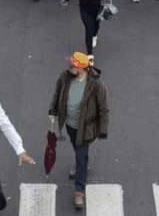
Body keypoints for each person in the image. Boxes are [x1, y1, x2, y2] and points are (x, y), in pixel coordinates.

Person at [47, 51, 109, 212]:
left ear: (81, 69)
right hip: (69, 124)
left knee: (81, 155)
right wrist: (53, 110)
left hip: (86, 128)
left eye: (72, 65)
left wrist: (102, 131)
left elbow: (103, 109)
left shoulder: (96, 85)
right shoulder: (65, 77)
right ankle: (82, 165)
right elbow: (57, 93)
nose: (69, 67)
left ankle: (79, 191)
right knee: (78, 149)